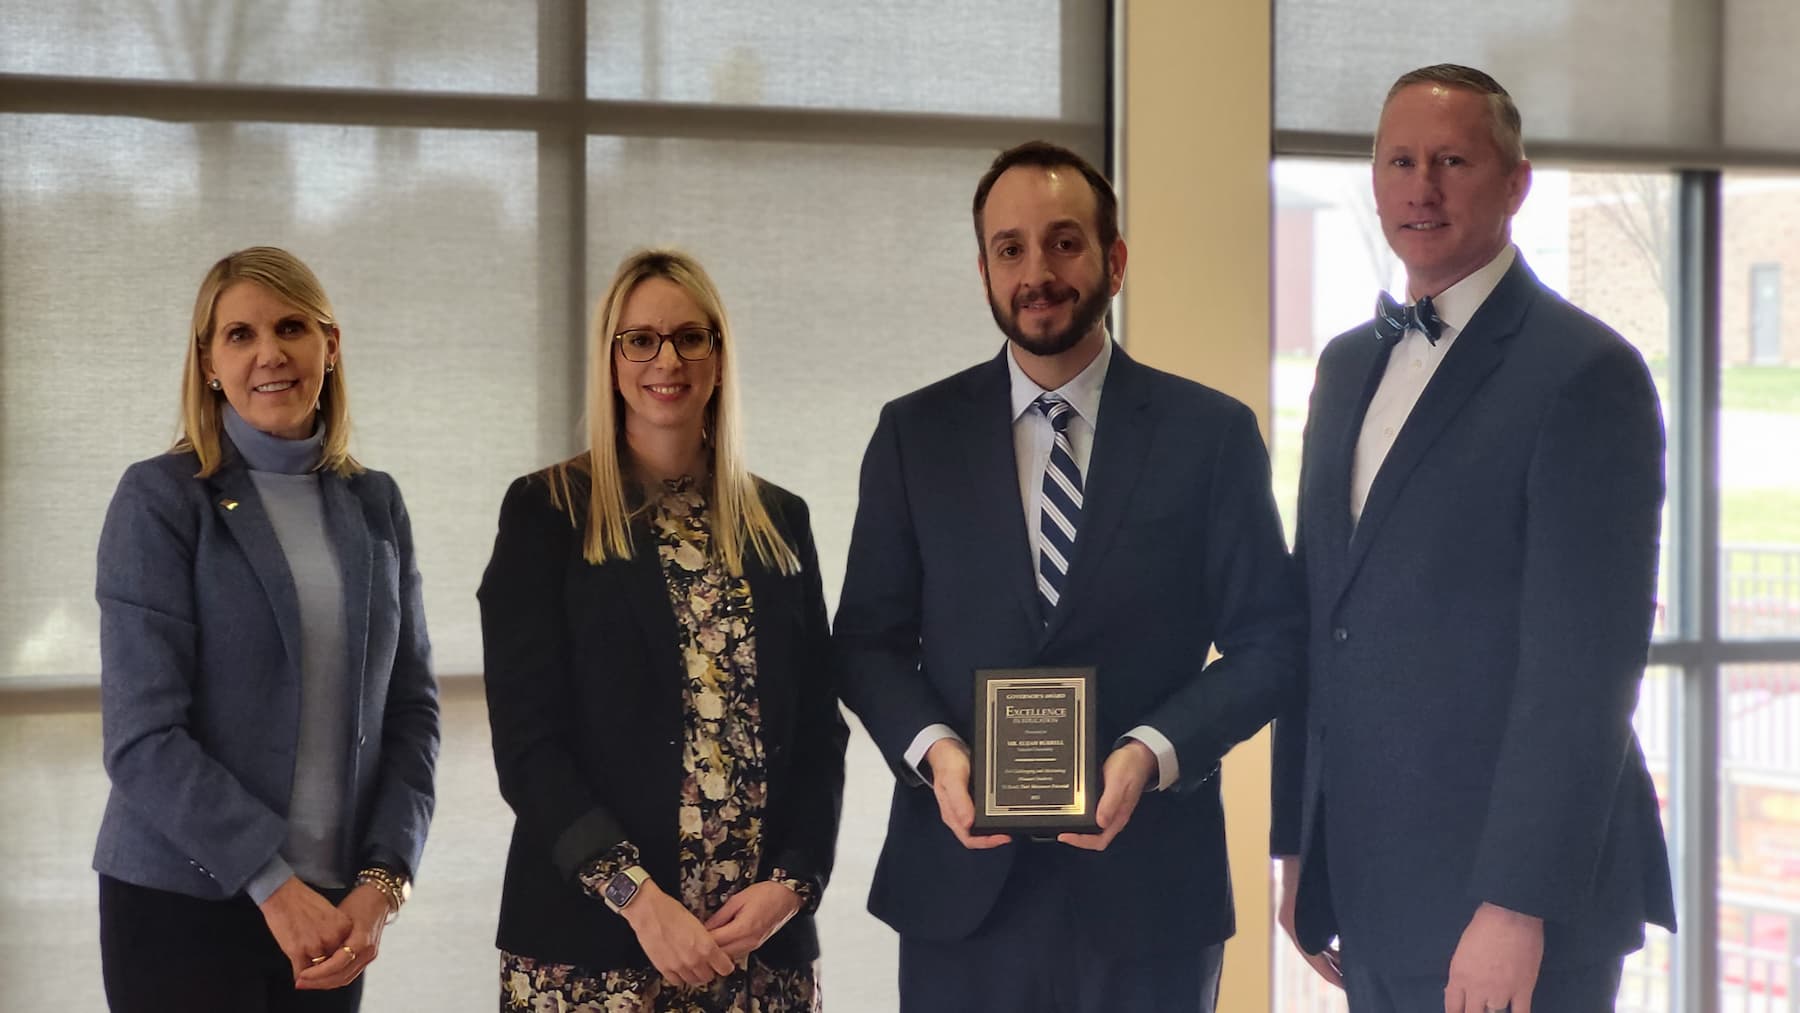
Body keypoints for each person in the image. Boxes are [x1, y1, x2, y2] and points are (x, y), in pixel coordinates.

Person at [833, 140, 1305, 1013]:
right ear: (983, 270)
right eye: (1009, 248)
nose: (1036, 271)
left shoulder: (1211, 436)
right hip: (960, 892)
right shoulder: (913, 436)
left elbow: (1269, 644)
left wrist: (1150, 753)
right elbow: (866, 641)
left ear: (1114, 260)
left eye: (1063, 242)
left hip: (1152, 889)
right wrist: (936, 753)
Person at [1271, 64, 1677, 1013]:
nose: (1422, 185)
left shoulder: (1586, 374)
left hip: (1514, 911)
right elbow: (1320, 614)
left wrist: (1515, 906)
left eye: (1453, 160)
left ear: (1515, 182)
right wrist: (1302, 845)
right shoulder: (1344, 365)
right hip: (1369, 887)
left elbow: (1586, 668)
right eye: (1400, 160)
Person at [478, 249, 848, 1012]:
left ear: (719, 353)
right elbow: (528, 746)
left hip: (758, 956)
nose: (666, 359)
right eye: (640, 339)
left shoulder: (781, 522)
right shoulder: (547, 512)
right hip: (594, 956)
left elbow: (820, 733)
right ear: (612, 359)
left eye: (690, 336)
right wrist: (638, 900)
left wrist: (793, 883)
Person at [93, 246, 441, 1011]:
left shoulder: (375, 504)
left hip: (333, 919)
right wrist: (275, 887)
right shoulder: (160, 500)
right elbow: (142, 736)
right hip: (179, 909)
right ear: (209, 362)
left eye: (291, 327)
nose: (270, 353)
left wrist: (383, 881)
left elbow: (413, 712)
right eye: (239, 335)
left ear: (331, 345)